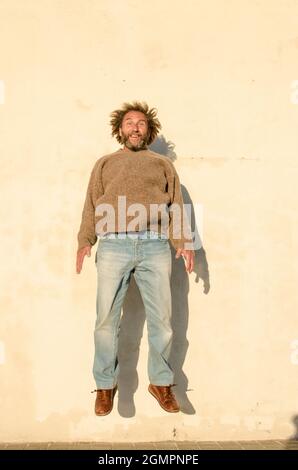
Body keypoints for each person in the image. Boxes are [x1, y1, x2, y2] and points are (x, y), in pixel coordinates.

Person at [76, 101, 194, 416]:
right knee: (105, 322)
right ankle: (105, 386)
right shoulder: (104, 164)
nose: (135, 127)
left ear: (149, 130)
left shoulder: (163, 165)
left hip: (155, 246)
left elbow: (176, 205)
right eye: (129, 122)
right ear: (120, 129)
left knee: (163, 322)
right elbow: (91, 203)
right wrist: (84, 240)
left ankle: (161, 382)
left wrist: (183, 241)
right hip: (113, 245)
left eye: (140, 123)